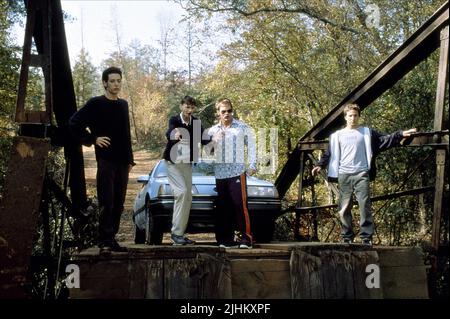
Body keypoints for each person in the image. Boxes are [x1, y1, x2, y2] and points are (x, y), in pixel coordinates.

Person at [311, 103, 416, 246]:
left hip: (362, 173)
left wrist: (400, 134)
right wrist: (319, 165)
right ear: (345, 117)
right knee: (344, 207)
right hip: (344, 174)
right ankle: (346, 236)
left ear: (359, 116)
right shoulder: (337, 136)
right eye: (350, 116)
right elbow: (329, 153)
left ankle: (366, 237)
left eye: (355, 115)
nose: (353, 118)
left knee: (364, 205)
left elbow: (385, 139)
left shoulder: (367, 132)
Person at [69, 66, 134, 255]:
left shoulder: (123, 105)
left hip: (123, 161)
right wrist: (92, 139)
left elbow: (126, 133)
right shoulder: (96, 103)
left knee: (119, 203)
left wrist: (130, 160)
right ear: (105, 83)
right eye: (112, 81)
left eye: (118, 81)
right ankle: (104, 241)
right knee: (107, 201)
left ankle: (111, 238)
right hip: (106, 160)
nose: (116, 84)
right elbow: (74, 123)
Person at [206, 98, 257, 249]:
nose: (227, 114)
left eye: (229, 111)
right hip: (220, 174)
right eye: (223, 111)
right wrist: (214, 141)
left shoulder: (241, 127)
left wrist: (252, 164)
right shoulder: (212, 130)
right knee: (223, 208)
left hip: (237, 172)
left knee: (240, 206)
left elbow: (253, 146)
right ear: (218, 113)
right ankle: (225, 240)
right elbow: (207, 152)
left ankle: (246, 239)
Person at [162, 96, 209, 245]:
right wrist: (173, 135)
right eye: (187, 107)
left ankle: (179, 235)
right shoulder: (175, 120)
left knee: (187, 197)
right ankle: (176, 233)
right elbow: (169, 131)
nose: (189, 110)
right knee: (181, 192)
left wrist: (216, 139)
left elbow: (204, 139)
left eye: (192, 108)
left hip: (187, 163)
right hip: (173, 162)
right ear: (181, 106)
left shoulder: (196, 122)